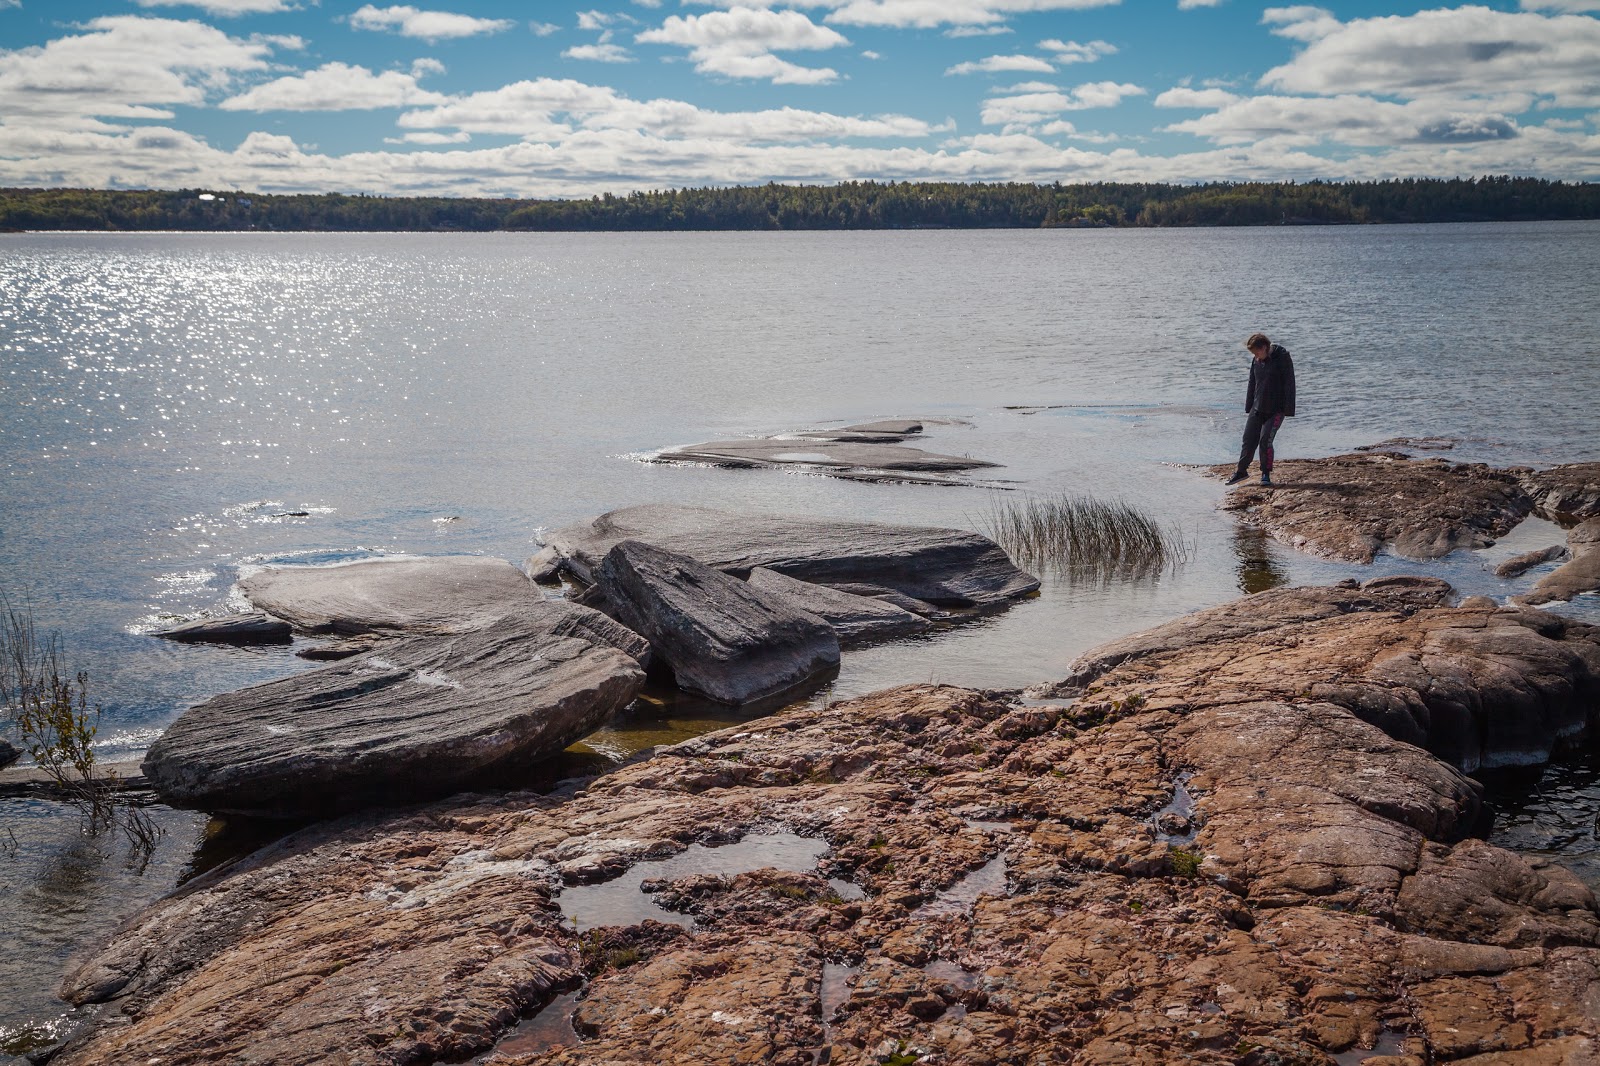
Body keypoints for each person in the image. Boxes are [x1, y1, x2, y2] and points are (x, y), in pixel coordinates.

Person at [1226, 332, 1295, 486]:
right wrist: (1249, 406)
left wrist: (1287, 409)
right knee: (1248, 440)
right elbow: (1252, 382)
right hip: (1257, 408)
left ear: (1264, 347)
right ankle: (1241, 472)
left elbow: (1290, 384)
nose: (1255, 356)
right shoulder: (1256, 360)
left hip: (1276, 410)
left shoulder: (1282, 358)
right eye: (1253, 353)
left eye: (1256, 352)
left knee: (1265, 441)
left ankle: (1265, 474)